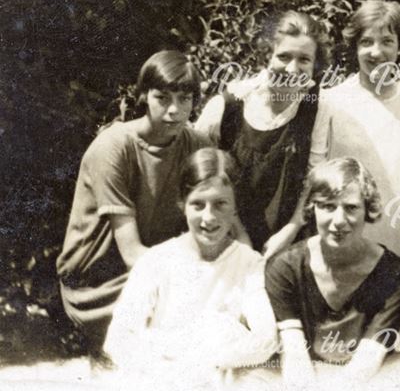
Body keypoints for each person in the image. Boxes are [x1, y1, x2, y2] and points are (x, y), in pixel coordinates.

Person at [57, 50, 210, 349]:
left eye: (185, 99)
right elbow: (131, 253)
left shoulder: (197, 145)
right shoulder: (114, 148)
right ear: (144, 96)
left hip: (154, 269)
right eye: (162, 98)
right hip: (99, 284)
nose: (174, 111)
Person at [103, 148, 277, 386]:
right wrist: (166, 367)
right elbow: (119, 337)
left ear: (235, 206)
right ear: (181, 204)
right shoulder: (156, 261)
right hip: (161, 377)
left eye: (220, 204)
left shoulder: (249, 264)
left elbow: (265, 339)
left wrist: (206, 358)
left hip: (216, 376)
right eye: (198, 205)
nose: (209, 217)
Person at [311, 0, 400, 343]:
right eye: (366, 42)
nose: (376, 52)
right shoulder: (331, 100)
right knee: (345, 344)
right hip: (345, 237)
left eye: (387, 41)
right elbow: (315, 171)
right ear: (354, 46)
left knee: (399, 345)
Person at [265, 158, 400, 388]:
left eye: (351, 208)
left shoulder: (395, 274)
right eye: (327, 206)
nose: (338, 221)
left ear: (368, 210)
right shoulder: (285, 268)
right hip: (305, 378)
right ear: (312, 208)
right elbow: (295, 356)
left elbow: (367, 361)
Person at [195, 10, 328, 257]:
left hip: (284, 242)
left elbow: (313, 178)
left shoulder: (316, 108)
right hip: (222, 237)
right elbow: (196, 177)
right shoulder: (228, 105)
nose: (292, 69)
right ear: (267, 54)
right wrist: (235, 234)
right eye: (284, 56)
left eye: (304, 60)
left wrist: (288, 232)